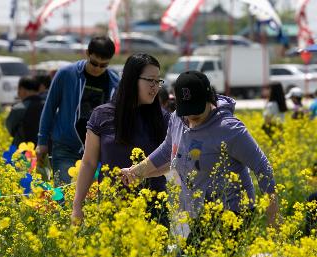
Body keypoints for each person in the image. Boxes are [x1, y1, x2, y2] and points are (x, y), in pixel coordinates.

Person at [121, 71, 278, 230]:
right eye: (186, 110)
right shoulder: (177, 118)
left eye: (196, 109)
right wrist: (136, 171)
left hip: (233, 213)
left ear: (209, 98)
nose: (190, 117)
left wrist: (273, 217)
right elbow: (167, 150)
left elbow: (262, 167)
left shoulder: (229, 129)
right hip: (200, 212)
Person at [71, 53, 170, 226]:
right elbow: (88, 163)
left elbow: (171, 161)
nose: (155, 87)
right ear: (132, 80)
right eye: (150, 80)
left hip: (152, 209)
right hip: (111, 208)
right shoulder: (102, 115)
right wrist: (77, 206)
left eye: (158, 81)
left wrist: (141, 172)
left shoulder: (163, 119)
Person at [36, 36, 119, 185]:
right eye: (94, 63)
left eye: (103, 65)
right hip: (65, 146)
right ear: (87, 53)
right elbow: (50, 107)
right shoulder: (66, 74)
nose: (98, 68)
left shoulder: (114, 82)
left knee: (92, 202)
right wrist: (42, 141)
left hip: (97, 151)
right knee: (65, 196)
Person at [6, 76, 43, 146]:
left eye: (18, 89)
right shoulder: (47, 107)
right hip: (45, 152)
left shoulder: (18, 109)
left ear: (23, 90)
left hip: (23, 154)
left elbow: (10, 129)